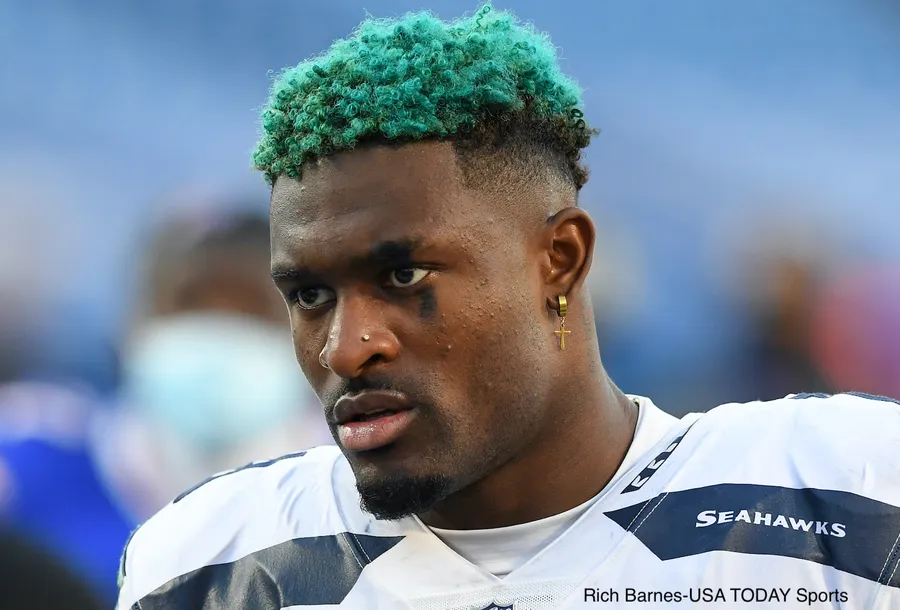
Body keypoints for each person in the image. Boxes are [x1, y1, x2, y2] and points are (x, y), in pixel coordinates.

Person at [116, 5, 900, 609]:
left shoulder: (850, 494)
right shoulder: (211, 563)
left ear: (560, 260)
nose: (346, 348)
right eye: (310, 295)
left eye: (403, 276)